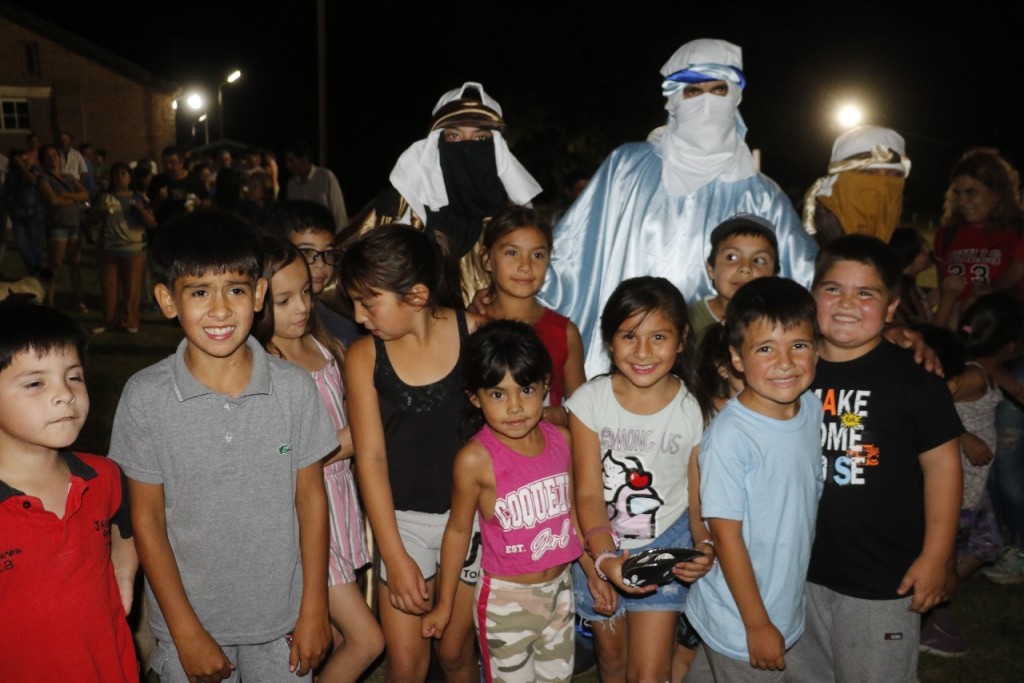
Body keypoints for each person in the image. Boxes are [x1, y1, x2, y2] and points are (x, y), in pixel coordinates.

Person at [108, 213, 337, 682]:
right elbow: (146, 518)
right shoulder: (145, 397)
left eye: (235, 289)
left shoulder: (293, 389)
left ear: (257, 295)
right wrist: (186, 631)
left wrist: (316, 606)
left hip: (283, 624)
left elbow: (312, 498)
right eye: (198, 292)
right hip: (187, 624)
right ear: (168, 301)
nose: (219, 310)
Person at [539, 39, 818, 376]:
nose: (706, 104)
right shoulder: (626, 168)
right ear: (673, 100)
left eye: (718, 90)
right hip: (629, 360)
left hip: (720, 374)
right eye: (692, 92)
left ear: (735, 97)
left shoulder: (763, 194)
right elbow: (570, 257)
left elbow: (803, 284)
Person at [786, 234, 964, 683]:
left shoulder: (915, 380)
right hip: (797, 571)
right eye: (832, 289)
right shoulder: (789, 371)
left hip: (884, 578)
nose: (847, 302)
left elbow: (943, 466)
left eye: (865, 292)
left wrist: (937, 556)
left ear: (890, 308)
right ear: (812, 297)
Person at [341, 225, 486, 683]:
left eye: (369, 302)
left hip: (474, 519)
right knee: (405, 664)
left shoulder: (477, 335)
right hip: (402, 523)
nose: (360, 316)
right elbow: (371, 459)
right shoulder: (364, 357)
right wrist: (394, 553)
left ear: (418, 295)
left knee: (457, 652)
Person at [568, 276, 715, 683]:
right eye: (630, 336)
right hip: (600, 548)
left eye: (659, 337)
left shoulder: (693, 410)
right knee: (612, 664)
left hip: (666, 545)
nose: (643, 351)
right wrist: (604, 559)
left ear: (682, 339)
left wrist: (703, 544)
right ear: (610, 340)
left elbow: (696, 497)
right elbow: (586, 492)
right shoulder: (588, 402)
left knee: (649, 674)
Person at [421, 320, 583, 683]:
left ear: (544, 385)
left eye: (526, 389)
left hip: (560, 591)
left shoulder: (562, 440)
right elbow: (459, 531)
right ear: (475, 397)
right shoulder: (475, 459)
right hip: (505, 602)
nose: (514, 407)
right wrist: (445, 604)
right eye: (497, 394)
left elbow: (572, 513)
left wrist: (594, 572)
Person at [254, 237, 384, 682]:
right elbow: (283, 456)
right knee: (368, 640)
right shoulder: (266, 366)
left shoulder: (321, 344)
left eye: (306, 292)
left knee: (322, 639)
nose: (301, 307)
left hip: (339, 504)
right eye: (284, 299)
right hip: (306, 517)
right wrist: (355, 438)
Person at [684, 277, 822, 680]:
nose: (785, 362)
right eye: (765, 349)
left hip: (781, 592)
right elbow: (726, 536)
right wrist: (757, 625)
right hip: (741, 614)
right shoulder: (730, 438)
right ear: (737, 359)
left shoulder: (811, 407)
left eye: (798, 345)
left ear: (817, 347)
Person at [0, 302, 139, 682]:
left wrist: (123, 575)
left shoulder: (104, 476)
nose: (65, 394)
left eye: (74, 377)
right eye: (35, 383)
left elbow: (126, 528)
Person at [344, 82, 542, 305]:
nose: (466, 148)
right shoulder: (404, 206)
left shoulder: (513, 215)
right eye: (454, 136)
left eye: (479, 138)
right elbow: (356, 275)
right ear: (437, 143)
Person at [917, 297, 1023, 656]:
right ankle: (925, 605)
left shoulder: (987, 369)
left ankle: (931, 594)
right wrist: (963, 436)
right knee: (952, 553)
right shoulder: (973, 374)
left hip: (974, 486)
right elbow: (928, 399)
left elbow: (1018, 390)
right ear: (1011, 345)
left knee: (988, 544)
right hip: (957, 485)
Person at [479, 205, 586, 425]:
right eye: (512, 253)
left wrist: (560, 415)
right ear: (487, 259)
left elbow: (583, 413)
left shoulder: (564, 333)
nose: (525, 266)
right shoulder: (471, 325)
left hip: (547, 450)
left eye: (537, 255)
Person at [932, 148, 1024, 328]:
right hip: (953, 342)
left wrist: (991, 293)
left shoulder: (1018, 231)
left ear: (996, 194)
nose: (962, 201)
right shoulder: (947, 234)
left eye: (971, 192)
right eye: (958, 193)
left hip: (1001, 339)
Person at [266, 200, 361, 346]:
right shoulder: (274, 321)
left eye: (328, 253)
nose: (321, 265)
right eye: (306, 252)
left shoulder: (341, 307)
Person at [802, 125, 911, 246]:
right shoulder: (812, 235)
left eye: (893, 174)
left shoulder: (893, 239)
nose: (883, 184)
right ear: (840, 178)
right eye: (869, 173)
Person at [688, 214, 780, 349]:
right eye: (732, 257)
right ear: (711, 268)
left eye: (759, 260)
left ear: (774, 275)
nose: (745, 268)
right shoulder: (688, 321)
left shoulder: (780, 323)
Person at [91, 162, 155, 334]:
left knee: (132, 288)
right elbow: (90, 220)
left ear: (130, 177)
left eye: (124, 173)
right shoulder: (105, 197)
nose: (120, 177)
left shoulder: (140, 197)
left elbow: (151, 223)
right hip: (109, 248)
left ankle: (129, 321)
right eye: (117, 173)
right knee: (108, 287)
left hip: (133, 248)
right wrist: (100, 213)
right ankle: (108, 320)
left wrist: (141, 211)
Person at [36, 143, 88, 310]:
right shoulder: (44, 178)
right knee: (55, 264)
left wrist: (65, 195)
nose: (53, 158)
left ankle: (79, 299)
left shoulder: (69, 177)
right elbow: (52, 200)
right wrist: (74, 198)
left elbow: (84, 194)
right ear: (43, 160)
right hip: (57, 224)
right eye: (48, 156)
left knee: (75, 263)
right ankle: (49, 299)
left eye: (54, 155)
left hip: (74, 223)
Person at [284, 140, 348, 233]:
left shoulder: (325, 177)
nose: (287, 165)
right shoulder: (291, 185)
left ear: (304, 160)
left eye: (291, 160)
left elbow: (339, 214)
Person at [1, 148, 46, 276]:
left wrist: (22, 166)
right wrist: (7, 207)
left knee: (35, 244)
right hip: (17, 215)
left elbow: (33, 181)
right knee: (22, 245)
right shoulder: (11, 175)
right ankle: (33, 269)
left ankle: (38, 271)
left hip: (34, 213)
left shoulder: (34, 170)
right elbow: (6, 193)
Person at [147, 145, 209, 227]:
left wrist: (200, 203)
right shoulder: (157, 181)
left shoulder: (194, 179)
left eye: (172, 162)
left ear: (181, 162)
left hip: (190, 227)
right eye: (165, 163)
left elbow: (208, 202)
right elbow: (149, 209)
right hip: (166, 229)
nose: (168, 166)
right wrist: (159, 200)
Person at [889, 226, 934, 328]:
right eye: (922, 251)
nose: (929, 253)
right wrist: (948, 299)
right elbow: (927, 330)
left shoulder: (911, 286)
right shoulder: (903, 290)